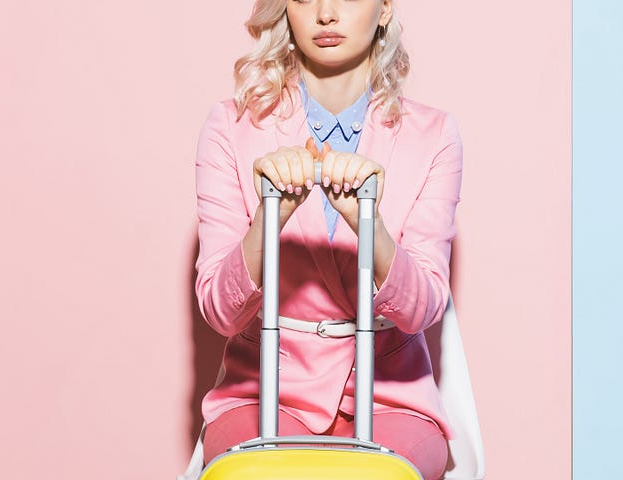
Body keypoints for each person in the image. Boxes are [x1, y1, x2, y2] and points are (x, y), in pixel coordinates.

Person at [192, 0, 462, 478]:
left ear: (384, 9)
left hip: (390, 399)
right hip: (263, 392)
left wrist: (367, 222)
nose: (326, 13)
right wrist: (270, 216)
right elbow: (220, 311)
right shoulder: (230, 126)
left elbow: (424, 309)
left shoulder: (434, 134)